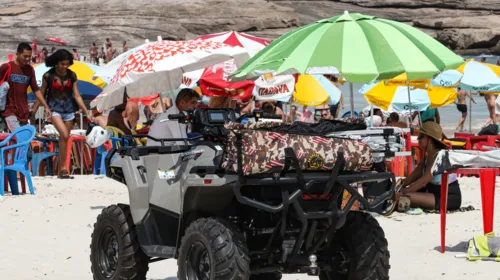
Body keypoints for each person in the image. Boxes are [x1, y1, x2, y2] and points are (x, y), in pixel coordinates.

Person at [31, 49, 92, 179]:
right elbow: (41, 93)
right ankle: (63, 168)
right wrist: (34, 112)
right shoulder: (49, 76)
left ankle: (62, 169)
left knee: (64, 138)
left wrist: (87, 112)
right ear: (56, 63)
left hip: (69, 110)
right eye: (62, 64)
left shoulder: (72, 75)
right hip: (54, 109)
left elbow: (77, 95)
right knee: (64, 134)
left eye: (67, 64)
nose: (65, 67)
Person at [399, 121, 461, 210]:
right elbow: (411, 178)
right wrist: (398, 186)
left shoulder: (440, 157)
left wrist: (403, 191)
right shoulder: (427, 158)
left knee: (405, 196)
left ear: (430, 139)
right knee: (401, 196)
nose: (418, 139)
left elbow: (423, 181)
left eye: (421, 137)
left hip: (447, 196)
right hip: (432, 193)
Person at [0, 43, 50, 132]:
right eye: (25, 56)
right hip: (9, 110)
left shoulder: (30, 70)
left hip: (23, 112)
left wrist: (46, 106)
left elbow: (36, 90)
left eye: (29, 56)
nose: (27, 59)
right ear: (17, 54)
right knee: (19, 135)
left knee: (22, 141)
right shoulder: (7, 67)